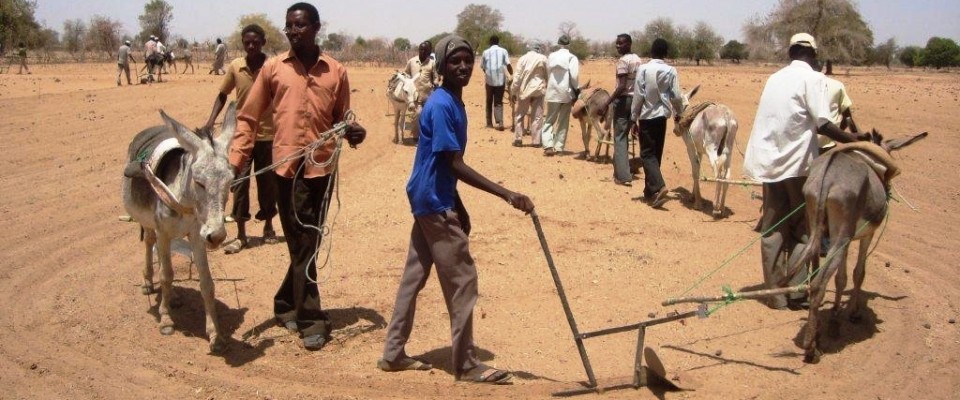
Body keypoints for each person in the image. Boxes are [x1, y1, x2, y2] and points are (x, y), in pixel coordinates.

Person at [378, 34, 534, 384]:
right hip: (434, 202)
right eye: (454, 61)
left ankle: (392, 353)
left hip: (427, 197)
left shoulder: (449, 101)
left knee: (413, 277)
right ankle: (464, 363)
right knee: (463, 280)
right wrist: (507, 194)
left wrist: (459, 205)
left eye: (467, 60)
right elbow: (454, 163)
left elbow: (442, 163)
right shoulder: (443, 104)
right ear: (442, 66)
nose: (463, 66)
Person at [228, 2, 367, 351]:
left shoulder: (336, 71)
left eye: (300, 25)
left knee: (310, 242)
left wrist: (352, 130)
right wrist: (236, 162)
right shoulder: (274, 68)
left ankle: (284, 303)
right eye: (289, 25)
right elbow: (248, 117)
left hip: (321, 168)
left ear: (317, 27)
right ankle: (311, 319)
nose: (293, 31)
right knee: (303, 244)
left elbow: (342, 116)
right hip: (286, 170)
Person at [742, 33, 868, 310]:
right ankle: (798, 292)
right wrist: (857, 141)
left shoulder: (774, 78)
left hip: (768, 164)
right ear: (812, 55)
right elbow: (824, 125)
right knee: (802, 229)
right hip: (797, 165)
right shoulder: (814, 79)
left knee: (773, 228)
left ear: (791, 53)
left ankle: (775, 296)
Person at [204, 24, 278, 255]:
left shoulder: (273, 66)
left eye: (256, 42)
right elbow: (222, 95)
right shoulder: (236, 67)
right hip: (242, 136)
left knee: (268, 184)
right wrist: (210, 121)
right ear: (242, 43)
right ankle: (241, 235)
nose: (251, 46)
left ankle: (268, 227)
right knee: (240, 184)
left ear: (263, 42)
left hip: (269, 135)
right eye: (247, 42)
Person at [630, 38, 685, 207]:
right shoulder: (670, 70)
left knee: (647, 154)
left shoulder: (644, 69)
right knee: (656, 153)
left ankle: (659, 186)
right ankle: (650, 191)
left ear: (651, 51)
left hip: (647, 116)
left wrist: (633, 118)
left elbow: (638, 95)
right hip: (662, 117)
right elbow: (676, 96)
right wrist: (679, 113)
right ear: (666, 53)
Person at [600, 34, 642, 183]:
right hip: (635, 100)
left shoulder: (623, 61)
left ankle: (623, 176)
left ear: (629, 44)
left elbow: (622, 86)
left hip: (623, 101)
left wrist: (607, 102)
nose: (618, 46)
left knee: (620, 138)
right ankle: (620, 172)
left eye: (621, 44)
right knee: (625, 135)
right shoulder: (638, 59)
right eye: (617, 43)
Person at [541, 35, 579, 157]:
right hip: (566, 93)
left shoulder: (551, 56)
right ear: (569, 44)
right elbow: (574, 76)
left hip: (552, 91)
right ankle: (559, 147)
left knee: (549, 120)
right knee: (563, 121)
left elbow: (547, 72)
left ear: (558, 44)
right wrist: (576, 89)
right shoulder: (571, 57)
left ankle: (548, 145)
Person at [509, 43, 548, 147]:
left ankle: (518, 139)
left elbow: (517, 77)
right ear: (538, 49)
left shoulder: (522, 59)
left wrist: (513, 91)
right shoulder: (543, 58)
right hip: (538, 90)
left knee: (520, 115)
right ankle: (536, 141)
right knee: (537, 116)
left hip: (524, 91)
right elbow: (547, 74)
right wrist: (547, 84)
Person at [480, 35, 512, 130]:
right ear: (498, 42)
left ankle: (489, 123)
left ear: (490, 42)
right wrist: (511, 75)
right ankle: (500, 122)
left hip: (489, 80)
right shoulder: (503, 51)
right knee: (498, 101)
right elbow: (508, 64)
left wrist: (488, 73)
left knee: (489, 101)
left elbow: (482, 66)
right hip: (500, 80)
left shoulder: (485, 52)